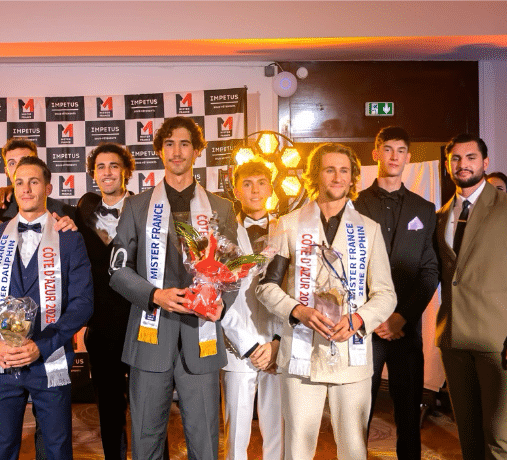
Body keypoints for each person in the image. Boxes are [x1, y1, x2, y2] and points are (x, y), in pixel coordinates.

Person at [256, 143, 397, 460]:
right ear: (315, 175)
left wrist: (358, 320)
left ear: (352, 178)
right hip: (301, 356)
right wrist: (297, 310)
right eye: (329, 169)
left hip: (351, 357)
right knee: (297, 449)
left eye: (344, 170)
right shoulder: (288, 225)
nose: (337, 177)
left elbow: (386, 294)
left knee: (354, 449)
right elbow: (266, 286)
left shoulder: (370, 230)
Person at [109, 116, 239, 460]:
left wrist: (221, 303)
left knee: (205, 444)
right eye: (169, 144)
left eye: (184, 143)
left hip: (202, 338)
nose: (177, 151)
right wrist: (154, 295)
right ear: (160, 151)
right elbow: (117, 269)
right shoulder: (136, 206)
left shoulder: (222, 208)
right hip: (150, 337)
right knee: (146, 442)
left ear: (197, 151)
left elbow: (233, 271)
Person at [0, 155, 94, 460]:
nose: (26, 189)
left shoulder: (69, 239)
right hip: (2, 361)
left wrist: (43, 345)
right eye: (20, 182)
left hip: (50, 359)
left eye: (34, 182)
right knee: (4, 448)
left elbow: (83, 303)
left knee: (57, 448)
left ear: (47, 188)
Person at [434, 133, 507, 460]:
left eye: (471, 157)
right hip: (454, 340)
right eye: (456, 158)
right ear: (448, 165)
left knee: (501, 439)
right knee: (469, 437)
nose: (463, 164)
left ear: (485, 162)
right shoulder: (441, 215)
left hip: (499, 342)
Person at [354, 127, 438, 460]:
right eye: (387, 149)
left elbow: (430, 271)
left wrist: (403, 316)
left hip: (406, 328)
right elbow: (348, 271)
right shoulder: (354, 205)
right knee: (357, 414)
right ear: (376, 153)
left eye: (401, 150)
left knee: (408, 416)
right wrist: (372, 317)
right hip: (365, 329)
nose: (394, 156)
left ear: (408, 157)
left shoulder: (424, 209)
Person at [75, 143, 135, 459]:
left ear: (126, 171)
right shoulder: (84, 211)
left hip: (142, 321)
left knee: (149, 405)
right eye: (101, 166)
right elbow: (45, 205)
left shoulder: (146, 208)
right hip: (102, 325)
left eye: (114, 165)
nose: (107, 172)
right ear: (93, 174)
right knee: (109, 409)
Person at [220, 160, 282, 460]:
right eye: (247, 184)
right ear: (236, 191)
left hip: (278, 346)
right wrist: (248, 345)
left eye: (261, 183)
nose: (255, 190)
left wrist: (277, 342)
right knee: (235, 436)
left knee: (278, 433)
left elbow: (295, 291)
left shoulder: (288, 230)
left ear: (271, 188)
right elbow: (217, 295)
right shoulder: (222, 234)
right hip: (238, 347)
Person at [0, 137, 77, 222]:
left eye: (25, 160)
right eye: (12, 163)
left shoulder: (68, 214)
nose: (19, 167)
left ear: (37, 163)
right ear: (6, 171)